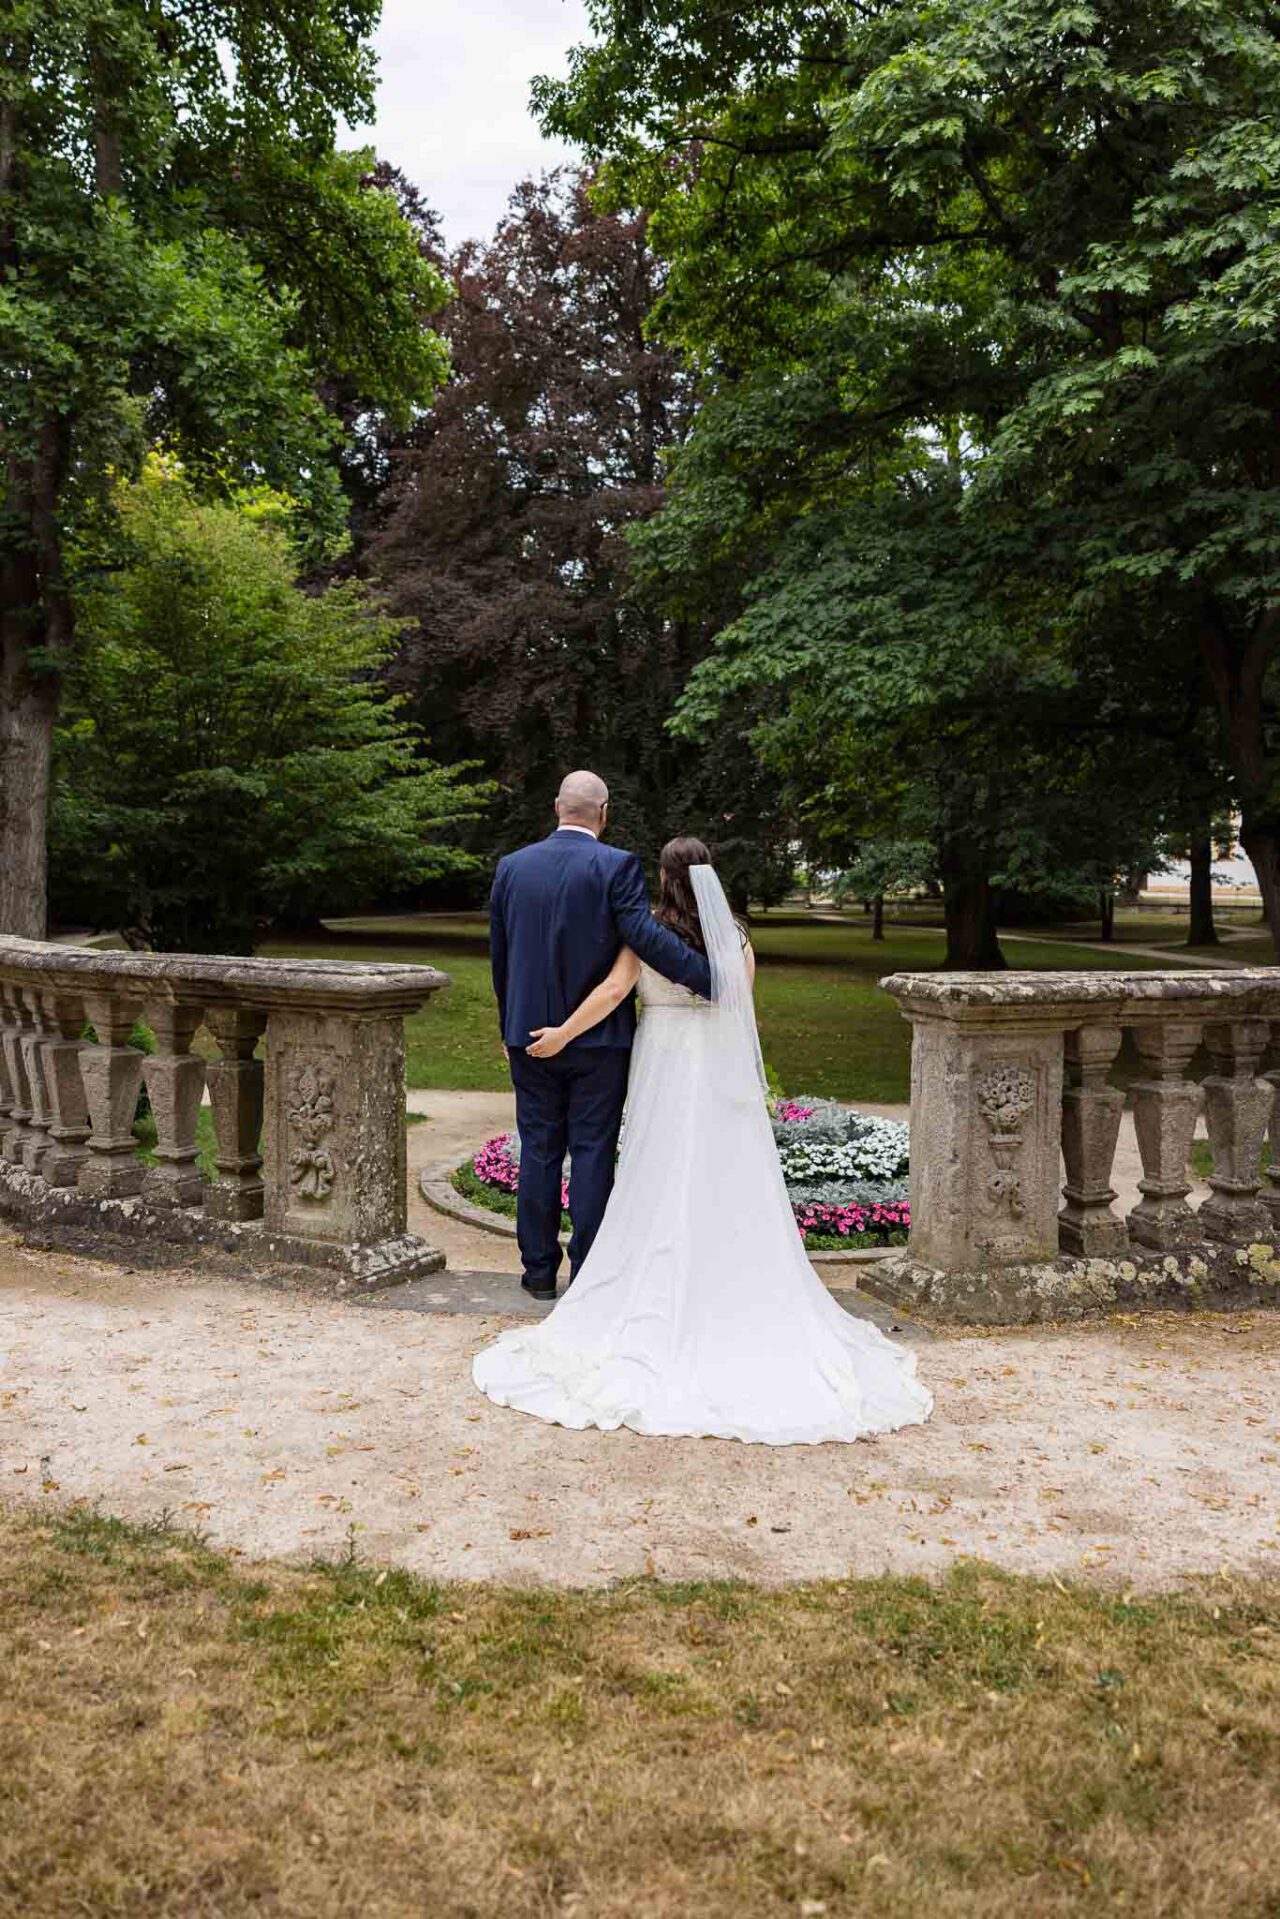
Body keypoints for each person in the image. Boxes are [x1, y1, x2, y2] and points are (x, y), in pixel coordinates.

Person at [473, 836, 933, 1445]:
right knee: (724, 1175)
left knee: (654, 1172)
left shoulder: (644, 934)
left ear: (663, 879)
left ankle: (577, 1272)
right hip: (716, 1073)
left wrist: (559, 1033)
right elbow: (742, 1009)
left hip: (665, 1066)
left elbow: (613, 994)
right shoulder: (737, 937)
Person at [488, 771, 712, 1301]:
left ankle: (538, 1274)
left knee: (539, 1151)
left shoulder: (511, 867)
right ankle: (586, 1272)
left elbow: (500, 957)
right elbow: (644, 937)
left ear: (556, 807)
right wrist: (709, 977)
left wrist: (508, 1025)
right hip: (599, 1043)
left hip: (529, 1037)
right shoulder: (616, 866)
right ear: (604, 813)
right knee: (591, 1152)